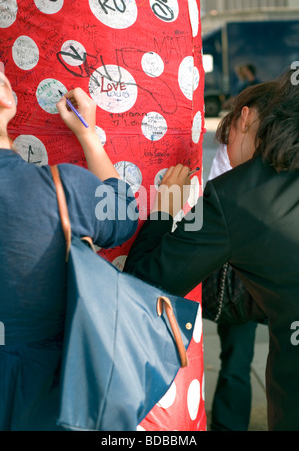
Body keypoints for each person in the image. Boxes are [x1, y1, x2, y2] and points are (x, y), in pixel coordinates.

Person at [124, 67, 299, 431]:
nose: (226, 147)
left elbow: (145, 280)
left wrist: (163, 210)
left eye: (227, 133)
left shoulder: (233, 197)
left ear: (245, 117)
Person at [0, 74, 138, 431]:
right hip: (51, 397)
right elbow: (122, 216)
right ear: (6, 100)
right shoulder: (62, 188)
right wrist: (88, 134)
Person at [203, 144, 259, 431]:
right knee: (237, 360)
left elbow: (215, 203)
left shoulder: (238, 143)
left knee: (236, 360)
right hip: (245, 279)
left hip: (239, 275)